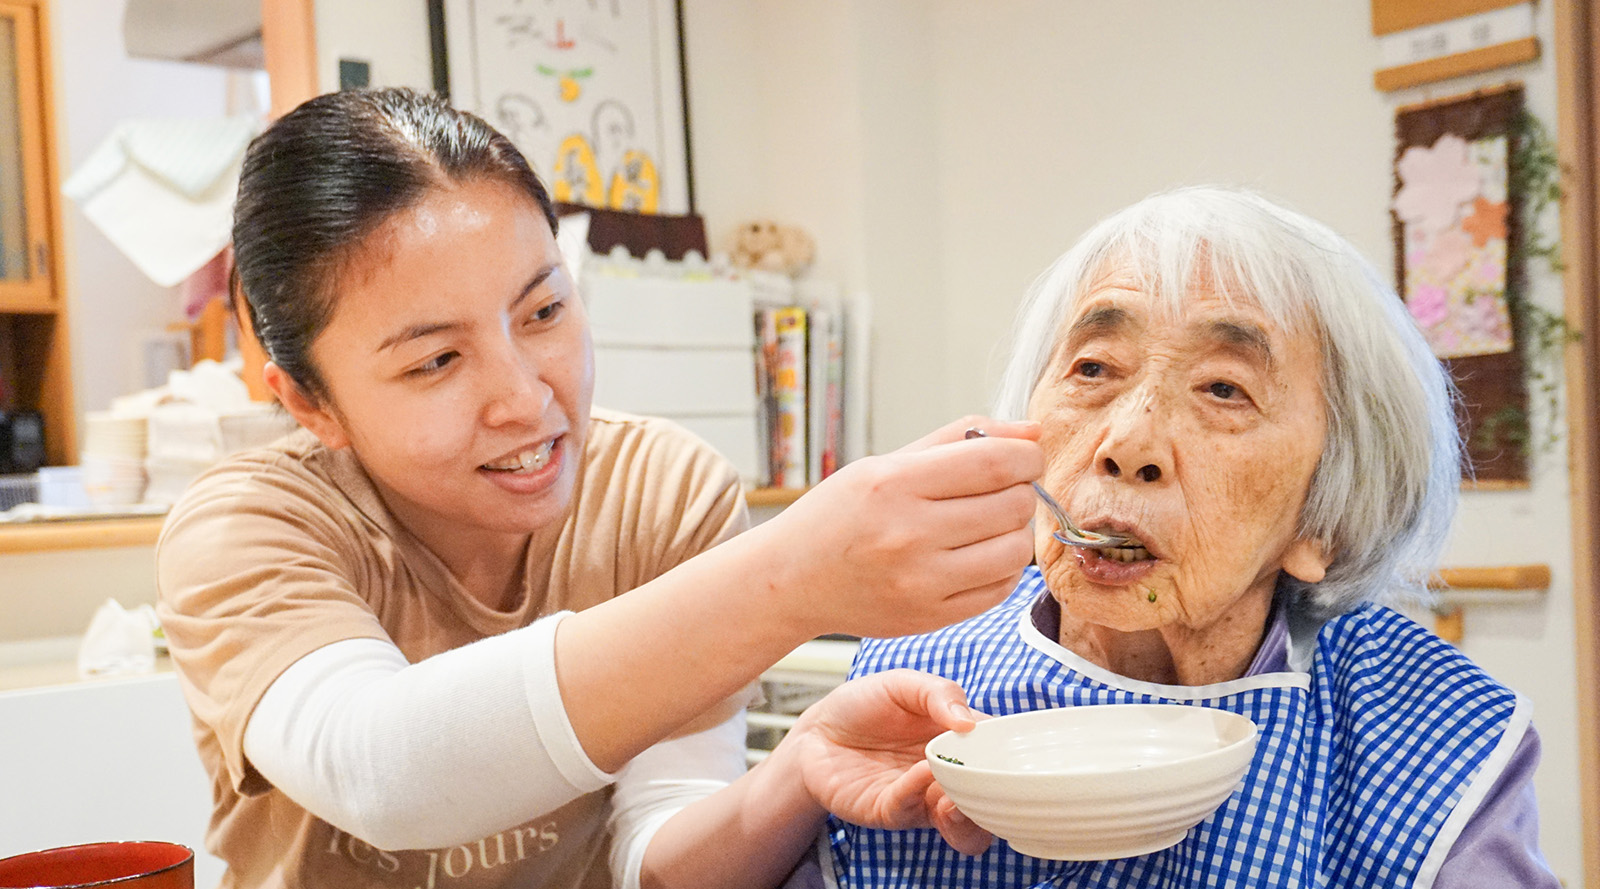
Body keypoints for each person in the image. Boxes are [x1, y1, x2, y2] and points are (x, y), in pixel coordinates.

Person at [155, 87, 1036, 889]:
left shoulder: (661, 490)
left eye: (543, 312)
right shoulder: (250, 526)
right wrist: (793, 576)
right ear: (309, 401)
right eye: (436, 360)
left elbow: (653, 855)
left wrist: (797, 768)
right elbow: (381, 769)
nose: (527, 398)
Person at [825, 186, 1562, 888]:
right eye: (1093, 367)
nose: (1129, 440)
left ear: (1323, 518)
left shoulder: (1433, 744)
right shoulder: (911, 670)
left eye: (1223, 388)